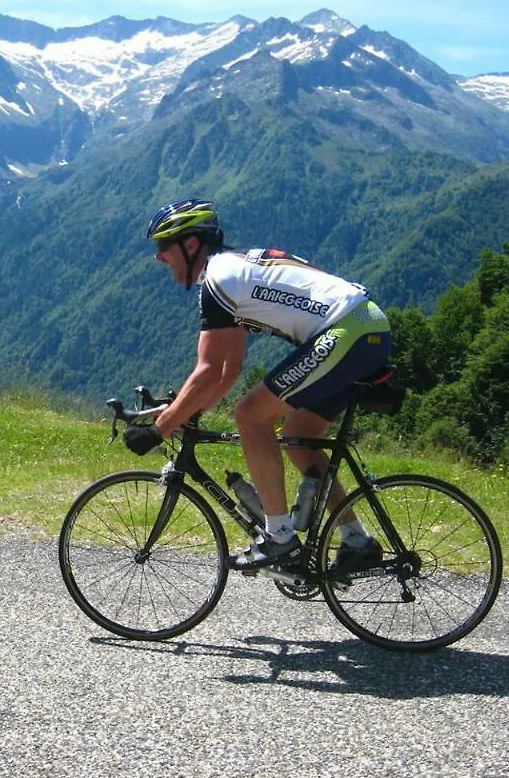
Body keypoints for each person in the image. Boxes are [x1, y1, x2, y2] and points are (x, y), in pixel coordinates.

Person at [122, 199, 393, 575]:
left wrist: (159, 429)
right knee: (298, 437)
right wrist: (184, 412)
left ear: (190, 245)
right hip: (364, 330)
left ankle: (279, 538)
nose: (157, 257)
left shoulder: (219, 280)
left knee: (250, 416)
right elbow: (228, 370)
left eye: (162, 245)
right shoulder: (231, 272)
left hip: (347, 331)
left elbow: (207, 370)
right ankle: (356, 542)